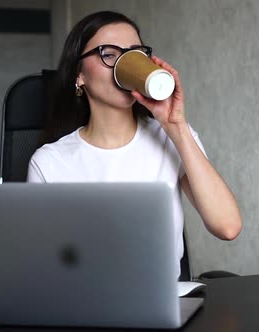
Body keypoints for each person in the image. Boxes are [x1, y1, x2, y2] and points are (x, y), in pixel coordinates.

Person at [27, 11, 242, 278]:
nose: (123, 65)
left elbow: (227, 227)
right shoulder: (49, 162)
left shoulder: (171, 138)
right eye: (109, 54)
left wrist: (175, 125)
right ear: (79, 75)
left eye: (134, 54)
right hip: (83, 303)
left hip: (162, 302)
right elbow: (43, 265)